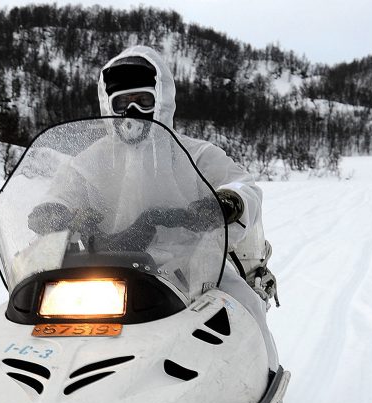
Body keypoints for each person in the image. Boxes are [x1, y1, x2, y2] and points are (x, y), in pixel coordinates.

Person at [98, 45, 278, 308]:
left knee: (244, 310)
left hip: (193, 273)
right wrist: (55, 209)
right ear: (108, 107)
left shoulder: (194, 153)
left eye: (143, 100)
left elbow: (244, 185)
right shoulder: (96, 157)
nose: (132, 110)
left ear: (161, 101)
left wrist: (227, 201)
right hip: (106, 271)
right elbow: (64, 187)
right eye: (123, 102)